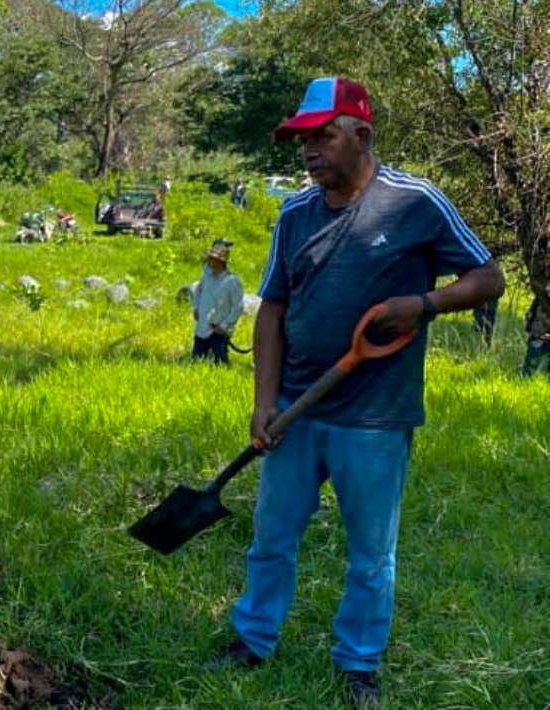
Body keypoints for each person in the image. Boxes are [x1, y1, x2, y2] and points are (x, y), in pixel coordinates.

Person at [207, 77, 505, 707]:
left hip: (375, 416)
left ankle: (358, 662)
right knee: (272, 537)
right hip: (297, 407)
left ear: (362, 135)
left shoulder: (415, 201)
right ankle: (253, 639)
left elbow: (489, 277)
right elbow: (272, 312)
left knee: (371, 552)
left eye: (323, 136)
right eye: (302, 140)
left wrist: (425, 303)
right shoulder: (295, 213)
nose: (309, 151)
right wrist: (265, 402)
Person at [191, 239, 245, 365]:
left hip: (218, 331)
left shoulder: (232, 281)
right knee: (196, 362)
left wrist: (224, 326)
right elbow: (198, 291)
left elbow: (238, 307)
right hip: (202, 328)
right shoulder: (206, 277)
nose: (211, 262)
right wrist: (196, 307)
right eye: (210, 259)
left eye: (214, 260)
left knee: (220, 365)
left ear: (221, 262)